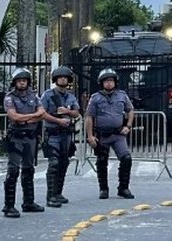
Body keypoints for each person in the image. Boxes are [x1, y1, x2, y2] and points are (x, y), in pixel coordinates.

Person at [84, 69, 135, 200]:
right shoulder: (95, 97)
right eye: (106, 81)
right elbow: (89, 117)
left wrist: (128, 126)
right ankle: (103, 189)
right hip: (102, 135)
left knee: (126, 158)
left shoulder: (122, 95)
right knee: (102, 161)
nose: (109, 84)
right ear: (101, 83)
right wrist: (90, 136)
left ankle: (123, 188)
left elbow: (130, 110)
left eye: (111, 81)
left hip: (118, 134)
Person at [2, 68, 45, 218]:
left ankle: (28, 202)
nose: (22, 83)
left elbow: (42, 113)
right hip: (16, 137)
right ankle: (8, 206)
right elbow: (13, 116)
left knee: (28, 169)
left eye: (24, 80)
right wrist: (32, 116)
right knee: (13, 170)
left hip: (30, 137)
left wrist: (26, 118)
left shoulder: (34, 96)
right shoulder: (9, 97)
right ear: (14, 82)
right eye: (19, 80)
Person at [41, 66, 80, 208]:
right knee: (54, 164)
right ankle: (50, 196)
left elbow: (77, 112)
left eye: (65, 77)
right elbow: (42, 113)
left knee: (64, 163)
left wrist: (67, 111)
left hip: (66, 134)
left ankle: (58, 193)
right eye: (60, 77)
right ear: (55, 79)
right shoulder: (47, 95)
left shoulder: (71, 96)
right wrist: (58, 120)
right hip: (52, 133)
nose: (62, 79)